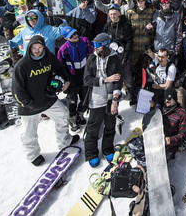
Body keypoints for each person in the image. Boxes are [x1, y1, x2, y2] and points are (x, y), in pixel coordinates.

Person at [12, 35, 79, 166]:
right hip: (29, 105)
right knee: (28, 132)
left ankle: (64, 141)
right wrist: (28, 104)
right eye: (34, 48)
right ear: (29, 48)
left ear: (44, 47)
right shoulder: (22, 66)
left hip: (48, 98)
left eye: (40, 47)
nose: (37, 50)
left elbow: (60, 69)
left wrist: (66, 81)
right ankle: (33, 155)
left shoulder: (49, 58)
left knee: (63, 116)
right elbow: (16, 90)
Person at [83, 32, 122, 167]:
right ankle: (91, 153)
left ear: (106, 45)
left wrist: (115, 101)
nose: (95, 48)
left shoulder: (115, 58)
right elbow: (87, 80)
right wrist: (106, 79)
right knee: (93, 127)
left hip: (110, 98)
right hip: (96, 98)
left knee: (110, 125)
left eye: (98, 45)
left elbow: (118, 80)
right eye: (94, 45)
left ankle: (107, 149)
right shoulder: (91, 59)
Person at [57, 26, 93, 132]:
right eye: (71, 36)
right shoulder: (63, 49)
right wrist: (65, 79)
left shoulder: (85, 41)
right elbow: (60, 66)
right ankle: (72, 118)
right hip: (72, 77)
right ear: (66, 39)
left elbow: (91, 56)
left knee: (85, 97)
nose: (74, 36)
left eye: (75, 33)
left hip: (85, 74)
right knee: (72, 99)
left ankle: (80, 113)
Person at [102, 4, 135, 103]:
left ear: (119, 14)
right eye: (111, 14)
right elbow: (103, 40)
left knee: (127, 76)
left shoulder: (125, 26)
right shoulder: (107, 26)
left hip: (123, 55)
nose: (113, 16)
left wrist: (125, 58)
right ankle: (116, 94)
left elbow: (129, 42)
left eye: (115, 14)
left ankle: (131, 95)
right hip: (111, 57)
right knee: (113, 76)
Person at [162, 87, 186, 158]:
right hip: (158, 139)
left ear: (174, 98)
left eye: (169, 98)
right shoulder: (162, 109)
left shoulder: (181, 113)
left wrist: (170, 140)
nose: (167, 101)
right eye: (165, 99)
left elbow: (183, 134)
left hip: (171, 145)